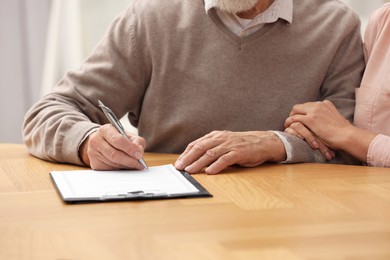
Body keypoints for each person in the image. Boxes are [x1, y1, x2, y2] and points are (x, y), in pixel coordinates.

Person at [23, 0, 365, 174]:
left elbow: (350, 146)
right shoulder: (153, 16)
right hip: (171, 214)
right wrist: (87, 142)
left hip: (292, 219)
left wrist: (275, 145)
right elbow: (47, 113)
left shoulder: (337, 26)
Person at [285, 3, 390, 167]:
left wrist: (347, 135)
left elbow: (342, 133)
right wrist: (305, 134)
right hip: (362, 189)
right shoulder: (383, 21)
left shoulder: (341, 22)